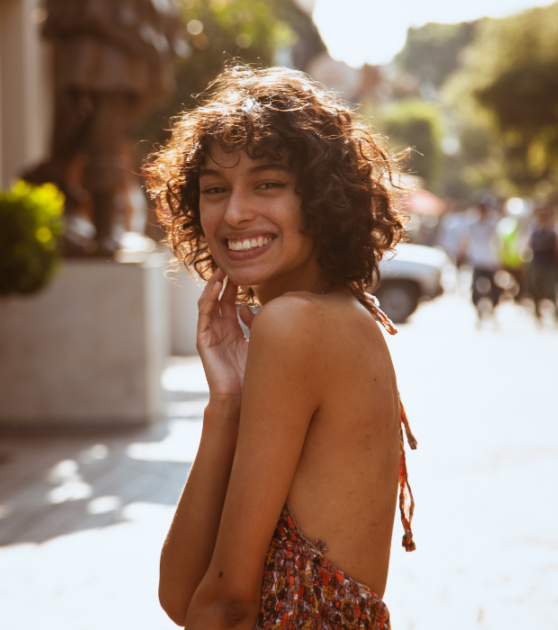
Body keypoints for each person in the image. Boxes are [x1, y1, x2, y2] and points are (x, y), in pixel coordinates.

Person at [144, 65, 417, 629]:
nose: (235, 212)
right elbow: (181, 592)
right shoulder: (342, 314)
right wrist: (227, 403)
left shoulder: (295, 325)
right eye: (215, 190)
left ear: (321, 197)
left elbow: (227, 604)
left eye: (267, 184)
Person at [460, 195, 502, 325]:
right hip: (477, 260)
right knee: (475, 290)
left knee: (494, 290)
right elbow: (466, 239)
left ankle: (493, 310)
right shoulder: (472, 223)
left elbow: (499, 240)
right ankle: (479, 312)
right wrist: (463, 254)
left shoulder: (493, 223)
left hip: (490, 261)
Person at [525, 206, 558, 326]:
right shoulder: (533, 231)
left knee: (553, 289)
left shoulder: (555, 230)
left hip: (550, 263)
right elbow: (526, 247)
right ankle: (537, 314)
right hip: (537, 262)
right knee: (534, 288)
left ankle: (556, 315)